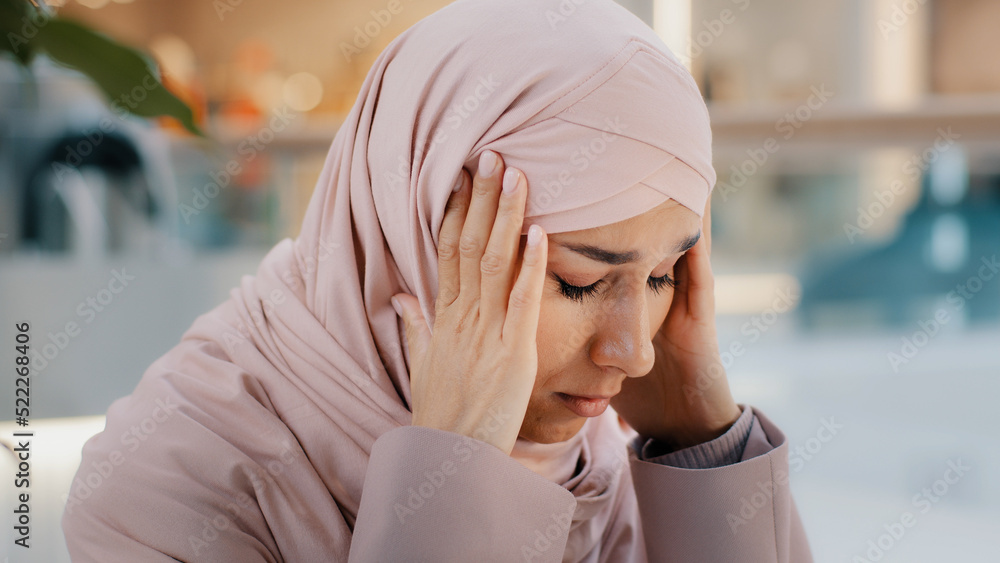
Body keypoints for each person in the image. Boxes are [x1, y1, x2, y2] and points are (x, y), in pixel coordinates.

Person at [61, 0, 814, 560]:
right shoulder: (162, 484)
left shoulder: (604, 454)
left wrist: (703, 440)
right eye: (580, 282)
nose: (635, 351)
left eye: (663, 274)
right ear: (415, 233)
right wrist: (453, 475)